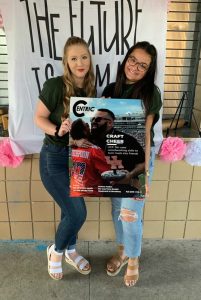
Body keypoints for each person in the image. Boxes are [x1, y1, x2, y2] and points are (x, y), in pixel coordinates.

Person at [34, 36, 96, 280]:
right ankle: (56, 251)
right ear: (66, 62)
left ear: (89, 59)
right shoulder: (54, 85)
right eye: (74, 58)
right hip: (55, 158)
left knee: (68, 212)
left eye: (84, 57)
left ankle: (71, 249)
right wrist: (57, 130)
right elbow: (38, 118)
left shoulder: (90, 89)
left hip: (78, 158)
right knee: (77, 213)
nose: (80, 62)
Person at [102, 41, 162, 287]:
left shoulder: (151, 93)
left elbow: (146, 134)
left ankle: (134, 259)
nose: (135, 67)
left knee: (129, 214)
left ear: (149, 70)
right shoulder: (110, 88)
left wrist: (145, 173)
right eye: (133, 60)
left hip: (138, 159)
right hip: (114, 158)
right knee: (118, 210)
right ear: (126, 59)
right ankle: (123, 250)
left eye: (143, 65)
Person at [90, 108, 145, 198]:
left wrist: (130, 175)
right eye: (92, 119)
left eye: (98, 119)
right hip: (96, 188)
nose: (93, 122)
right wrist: (75, 141)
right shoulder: (88, 139)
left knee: (119, 210)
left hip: (121, 190)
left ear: (110, 123)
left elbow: (143, 163)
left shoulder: (128, 140)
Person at [70, 118, 110, 197]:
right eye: (87, 125)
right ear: (84, 131)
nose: (89, 126)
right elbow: (108, 174)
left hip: (75, 189)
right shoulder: (95, 150)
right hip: (91, 192)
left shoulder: (74, 148)